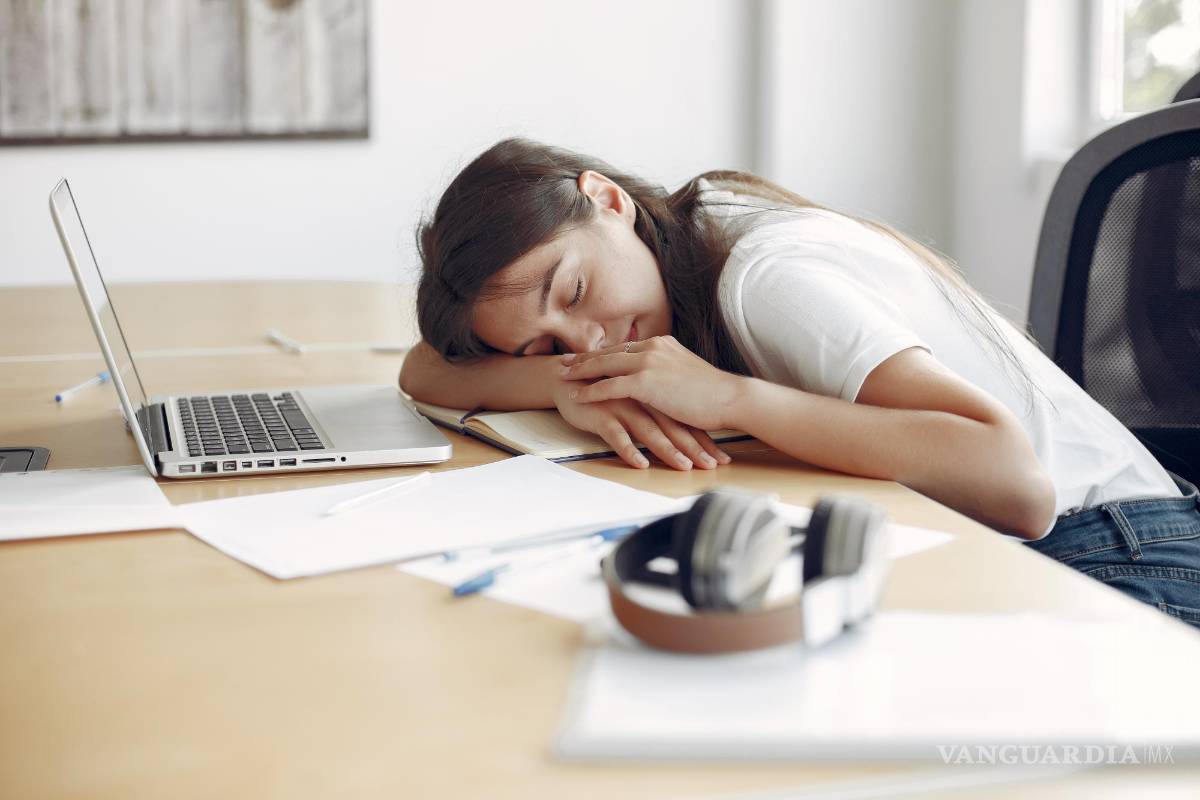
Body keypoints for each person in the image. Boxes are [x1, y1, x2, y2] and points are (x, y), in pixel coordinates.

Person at [400, 137, 1200, 625]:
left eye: (572, 295)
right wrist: (568, 384)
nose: (587, 339)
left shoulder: (760, 275)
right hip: (1023, 549)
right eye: (544, 345)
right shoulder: (674, 265)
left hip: (1124, 553)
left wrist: (729, 398)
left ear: (606, 201)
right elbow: (425, 370)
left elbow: (1014, 482)